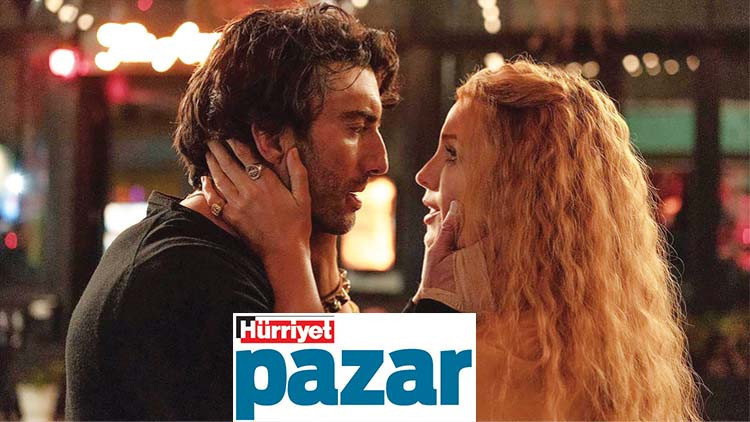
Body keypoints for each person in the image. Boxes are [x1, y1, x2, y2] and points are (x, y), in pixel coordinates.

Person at [207, 58, 702, 420]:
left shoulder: (506, 360)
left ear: (517, 189)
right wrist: (432, 305)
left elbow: (281, 390)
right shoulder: (565, 337)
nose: (423, 175)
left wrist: (286, 248)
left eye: (452, 155)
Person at [65, 5, 399, 420]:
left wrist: (319, 261)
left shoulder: (228, 258)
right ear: (271, 139)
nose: (379, 161)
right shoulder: (186, 278)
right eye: (356, 127)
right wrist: (288, 255)